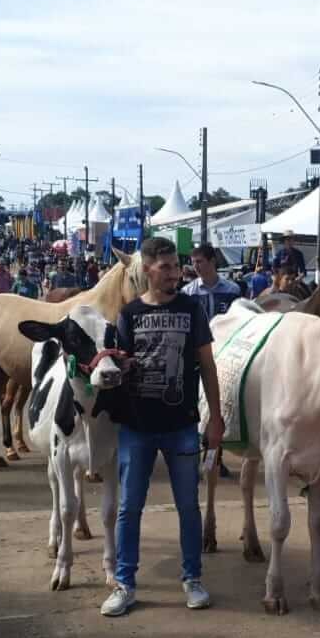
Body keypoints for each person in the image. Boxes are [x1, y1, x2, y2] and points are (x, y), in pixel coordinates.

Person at [102, 237, 223, 617]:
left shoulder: (192, 310)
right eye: (167, 267)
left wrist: (215, 417)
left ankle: (192, 578)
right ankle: (125, 583)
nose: (176, 273)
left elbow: (207, 366)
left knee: (188, 506)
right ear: (149, 269)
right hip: (136, 427)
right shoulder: (129, 314)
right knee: (129, 508)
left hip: (181, 426)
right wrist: (110, 370)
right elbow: (119, 363)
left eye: (177, 266)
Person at [181, 244, 243, 321]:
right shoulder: (188, 292)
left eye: (199, 261)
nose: (195, 266)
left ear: (212, 261)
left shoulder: (232, 290)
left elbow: (238, 320)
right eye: (193, 262)